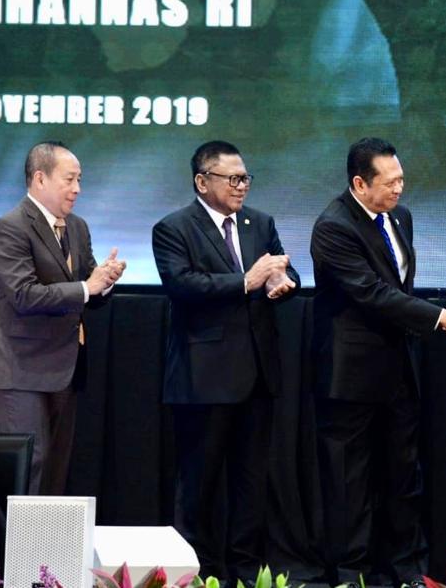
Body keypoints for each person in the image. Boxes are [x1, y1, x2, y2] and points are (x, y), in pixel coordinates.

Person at [310, 137, 446, 587]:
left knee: (404, 474)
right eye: (389, 182)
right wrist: (442, 318)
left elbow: (400, 288)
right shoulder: (333, 226)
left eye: (401, 179)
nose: (399, 189)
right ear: (359, 184)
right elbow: (372, 293)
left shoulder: (399, 216)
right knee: (350, 480)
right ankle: (351, 573)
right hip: (350, 374)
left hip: (399, 367)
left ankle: (407, 569)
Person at [152, 140, 300, 582]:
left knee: (251, 483)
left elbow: (284, 271)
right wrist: (246, 281)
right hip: (204, 378)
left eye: (245, 178)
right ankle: (198, 573)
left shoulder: (260, 223)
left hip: (257, 375)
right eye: (232, 178)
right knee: (200, 485)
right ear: (202, 181)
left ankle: (244, 571)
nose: (242, 186)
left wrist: (280, 281)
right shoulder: (173, 228)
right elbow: (183, 285)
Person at [0, 141, 126, 495]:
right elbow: (23, 295)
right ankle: (16, 535)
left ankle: (47, 535)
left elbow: (86, 289)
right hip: (18, 369)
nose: (77, 189)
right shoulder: (10, 226)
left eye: (79, 180)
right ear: (40, 178)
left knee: (56, 468)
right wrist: (87, 287)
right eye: (69, 179)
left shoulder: (77, 227)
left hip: (63, 368)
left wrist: (104, 282)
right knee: (31, 465)